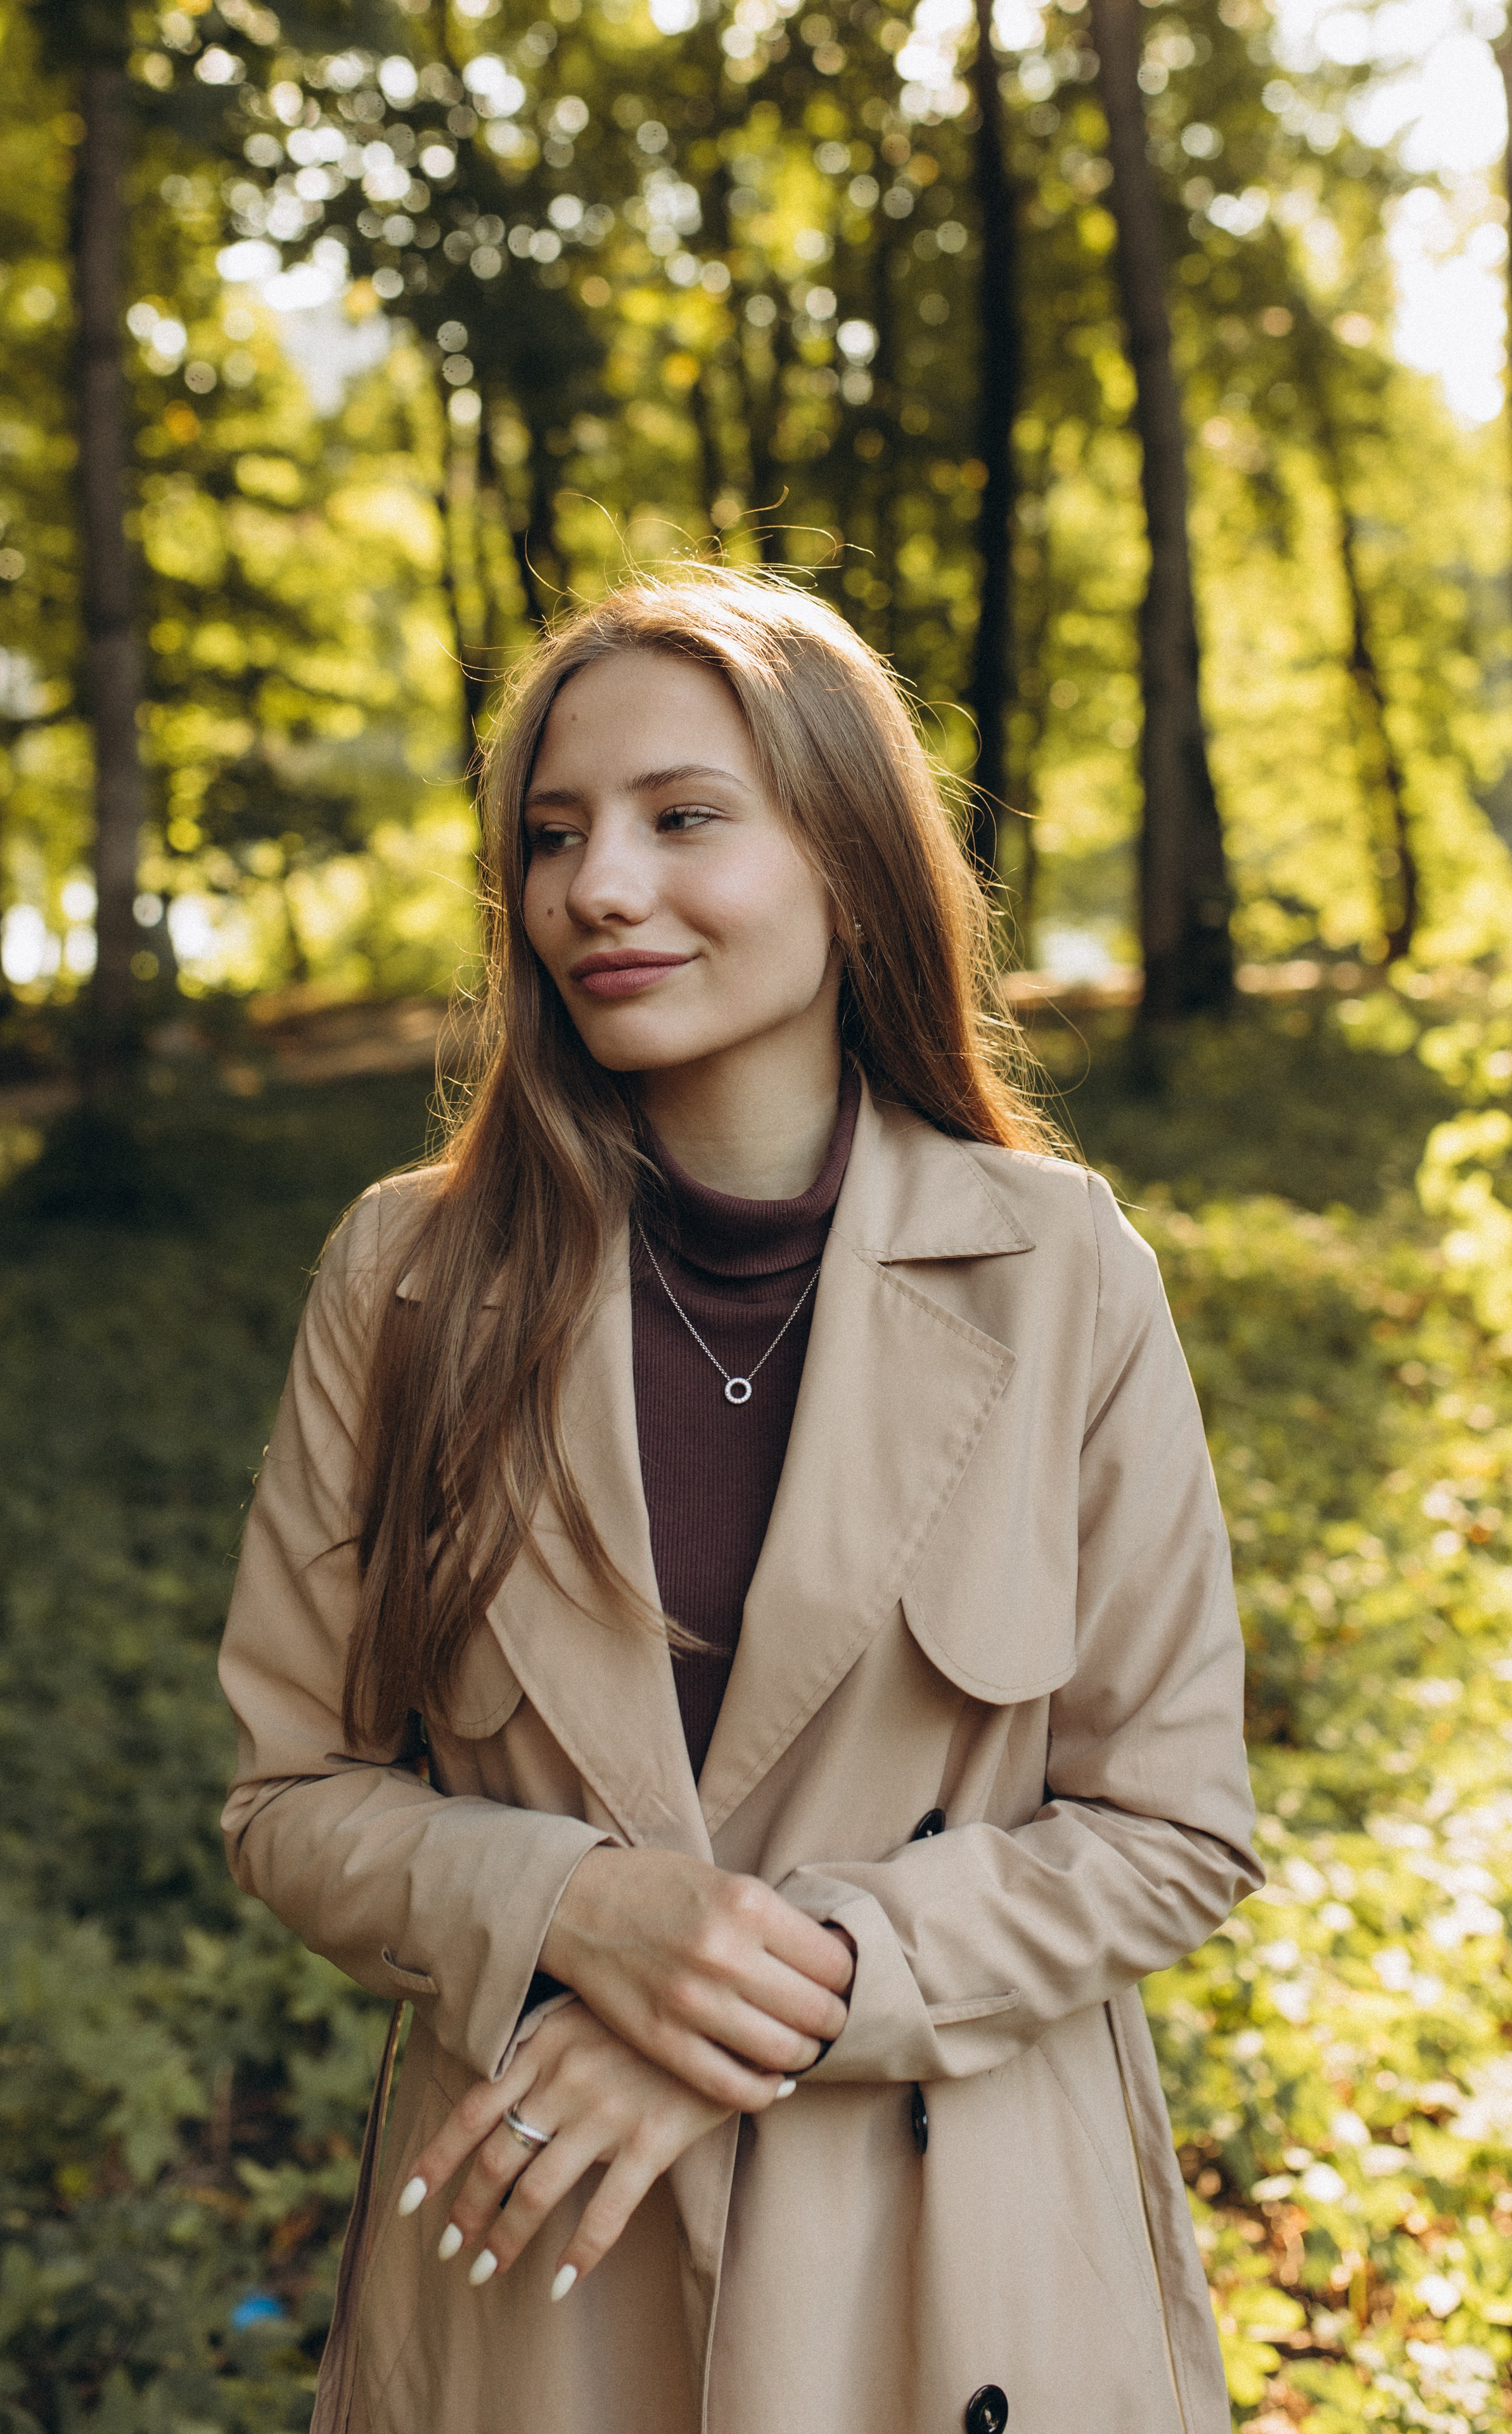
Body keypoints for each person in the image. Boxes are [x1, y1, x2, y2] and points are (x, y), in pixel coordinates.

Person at [218, 567, 1260, 2434]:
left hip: (953, 2279)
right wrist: (577, 1909)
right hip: (539, 2286)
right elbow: (293, 1796)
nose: (597, 888)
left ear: (850, 860)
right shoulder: (408, 1279)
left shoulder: (1060, 1272)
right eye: (554, 836)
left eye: (683, 817)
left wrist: (757, 2004)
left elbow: (1171, 1827)